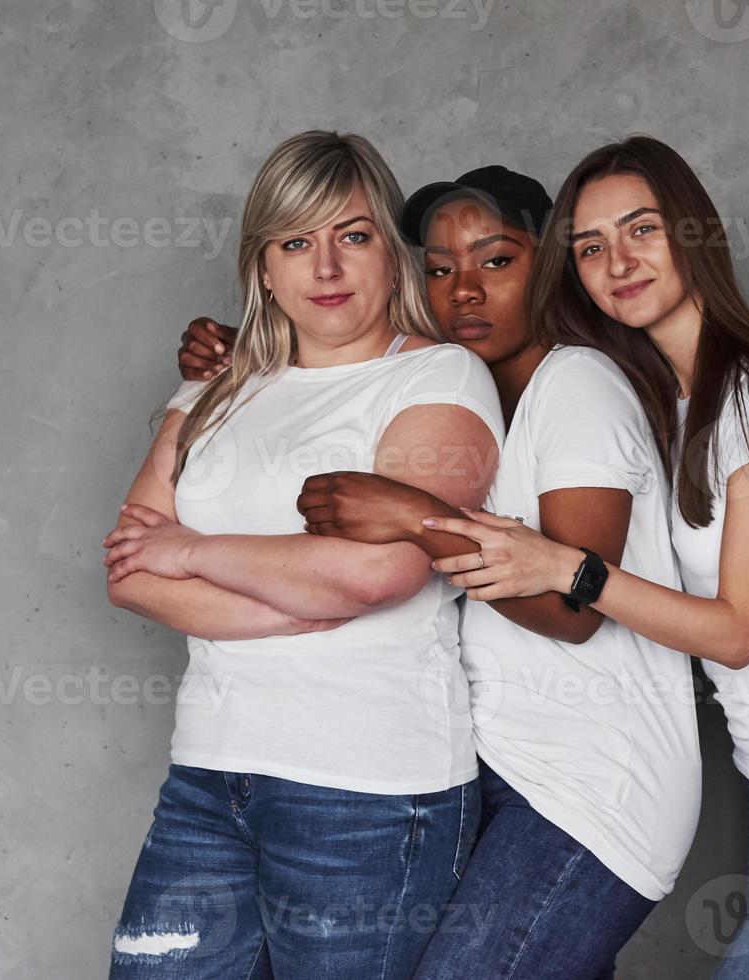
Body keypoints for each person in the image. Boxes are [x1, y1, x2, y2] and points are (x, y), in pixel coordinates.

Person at [421, 136, 749, 979]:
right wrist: (257, 352)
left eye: (642, 231)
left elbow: (738, 631)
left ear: (693, 234)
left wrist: (568, 571)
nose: (616, 262)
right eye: (590, 247)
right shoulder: (661, 398)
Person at [176, 165, 703, 979]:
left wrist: (416, 522)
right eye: (437, 267)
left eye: (496, 261)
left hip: (593, 787)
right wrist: (243, 350)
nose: (464, 290)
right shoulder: (456, 392)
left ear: (548, 266)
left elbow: (574, 609)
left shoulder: (578, 384)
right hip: (498, 771)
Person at [102, 130, 503, 979]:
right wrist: (297, 597)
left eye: (351, 237)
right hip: (209, 779)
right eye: (296, 242)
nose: (325, 268)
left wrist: (195, 549)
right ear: (264, 268)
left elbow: (380, 571)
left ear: (390, 255)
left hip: (367, 788)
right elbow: (132, 571)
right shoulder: (215, 386)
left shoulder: (438, 378)